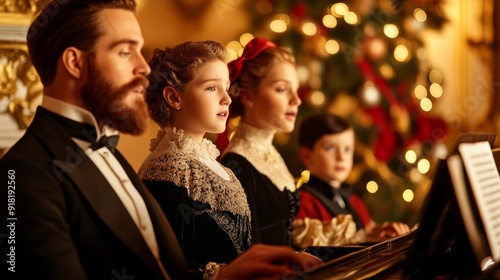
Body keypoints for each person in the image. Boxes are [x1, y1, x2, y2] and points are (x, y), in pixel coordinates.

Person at [0, 1, 322, 279]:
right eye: (126, 51)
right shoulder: (21, 175)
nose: (143, 68)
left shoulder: (114, 158)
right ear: (74, 62)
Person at [138, 41, 252, 274]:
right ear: (174, 97)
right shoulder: (168, 168)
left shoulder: (218, 167)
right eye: (211, 88)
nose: (227, 99)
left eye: (227, 88)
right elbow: (164, 268)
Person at [218, 37, 301, 246]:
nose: (296, 100)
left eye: (296, 89)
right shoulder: (237, 167)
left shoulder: (272, 154)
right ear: (248, 96)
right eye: (282, 89)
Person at [293, 112, 411, 249]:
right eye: (330, 148)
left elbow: (366, 235)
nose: (342, 157)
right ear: (307, 156)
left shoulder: (355, 201)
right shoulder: (303, 203)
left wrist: (383, 233)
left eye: (347, 149)